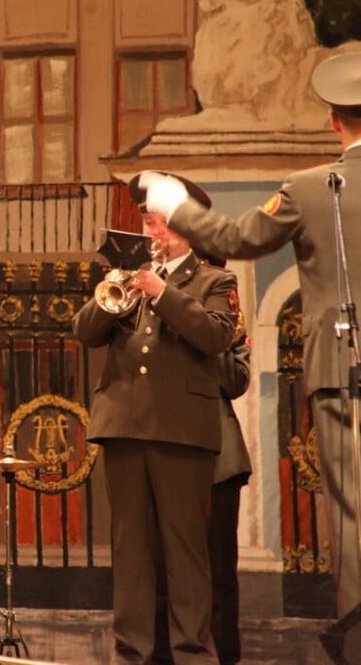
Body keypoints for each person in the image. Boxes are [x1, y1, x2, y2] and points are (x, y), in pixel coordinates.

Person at [140, 50, 361, 628]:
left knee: (352, 514)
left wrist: (174, 205)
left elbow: (235, 238)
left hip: (341, 371)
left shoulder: (312, 188)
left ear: (334, 120)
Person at [73, 175, 238, 665]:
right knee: (131, 554)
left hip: (182, 434)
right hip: (123, 428)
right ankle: (132, 654)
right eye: (149, 222)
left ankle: (191, 654)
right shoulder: (126, 278)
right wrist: (117, 287)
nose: (156, 230)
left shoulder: (214, 281)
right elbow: (85, 331)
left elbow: (214, 337)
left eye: (163, 222)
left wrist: (162, 292)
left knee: (186, 553)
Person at [155, 321, 252, 665]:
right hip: (166, 451)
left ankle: (223, 655)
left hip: (219, 462)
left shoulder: (228, 325)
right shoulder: (160, 320)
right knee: (164, 566)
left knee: (219, 568)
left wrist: (213, 335)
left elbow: (235, 381)